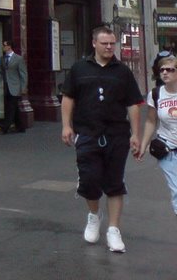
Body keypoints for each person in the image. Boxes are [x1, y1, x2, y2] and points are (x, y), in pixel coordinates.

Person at [60, 26, 143, 253]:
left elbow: (133, 104)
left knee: (115, 183)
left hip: (116, 134)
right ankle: (94, 215)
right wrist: (66, 126)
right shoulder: (79, 69)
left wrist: (136, 134)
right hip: (87, 133)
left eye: (112, 43)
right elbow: (68, 99)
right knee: (90, 180)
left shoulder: (122, 71)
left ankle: (114, 230)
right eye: (105, 43)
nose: (109, 47)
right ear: (94, 43)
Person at [138, 53, 177, 221]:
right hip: (167, 149)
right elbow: (150, 121)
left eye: (170, 70)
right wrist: (143, 144)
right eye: (162, 70)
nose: (165, 73)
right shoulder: (156, 94)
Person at [0, 38, 28, 133]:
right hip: (7, 87)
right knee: (14, 108)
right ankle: (21, 127)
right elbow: (0, 73)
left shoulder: (19, 59)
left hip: (16, 87)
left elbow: (23, 74)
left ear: (9, 46)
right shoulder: (2, 59)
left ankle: (6, 126)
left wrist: (23, 88)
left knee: (11, 107)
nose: (2, 47)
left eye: (4, 45)